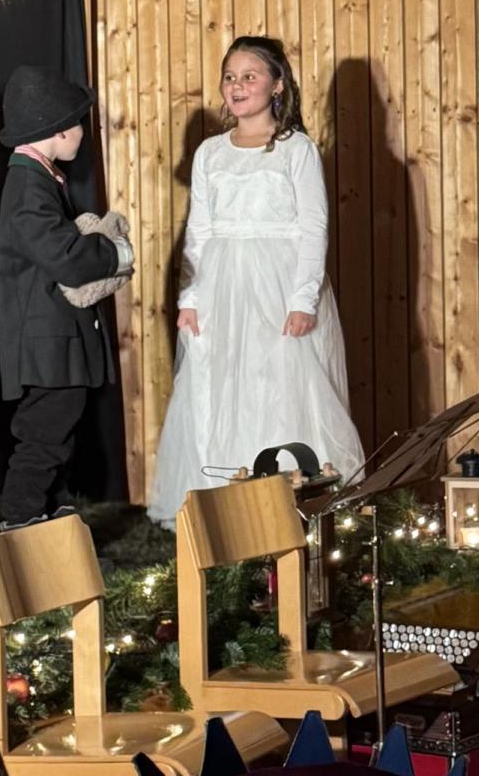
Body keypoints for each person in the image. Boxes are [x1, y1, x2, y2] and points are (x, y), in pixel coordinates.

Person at [147, 36, 364, 526]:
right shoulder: (210, 153)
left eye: (250, 76)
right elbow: (199, 230)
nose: (238, 85)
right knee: (223, 387)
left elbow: (314, 227)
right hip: (221, 290)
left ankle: (290, 503)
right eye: (230, 77)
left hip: (278, 288)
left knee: (281, 387)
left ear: (277, 85)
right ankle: (230, 507)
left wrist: (303, 299)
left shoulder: (296, 150)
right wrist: (189, 297)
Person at [0, 66, 133, 531]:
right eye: (79, 124)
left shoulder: (41, 178)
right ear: (60, 129)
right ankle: (21, 527)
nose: (82, 134)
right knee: (43, 437)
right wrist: (116, 252)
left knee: (59, 435)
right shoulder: (27, 184)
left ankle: (52, 528)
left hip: (57, 342)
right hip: (47, 344)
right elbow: (65, 257)